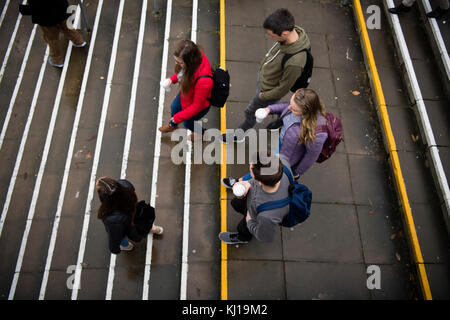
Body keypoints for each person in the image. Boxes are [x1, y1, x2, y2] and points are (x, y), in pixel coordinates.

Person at [221, 8, 312, 143]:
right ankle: (281, 120)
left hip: (267, 90)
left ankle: (239, 135)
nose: (270, 37)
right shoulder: (291, 36)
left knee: (251, 112)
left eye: (272, 35)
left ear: (284, 33)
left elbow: (283, 88)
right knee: (275, 106)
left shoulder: (295, 62)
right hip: (268, 82)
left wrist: (263, 95)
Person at [221, 88, 327, 188]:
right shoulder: (296, 106)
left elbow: (311, 156)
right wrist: (268, 110)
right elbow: (285, 106)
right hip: (283, 144)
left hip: (288, 158)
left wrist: (297, 171)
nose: (289, 108)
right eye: (291, 104)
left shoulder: (317, 134)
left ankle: (240, 182)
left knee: (263, 170)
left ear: (306, 111)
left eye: (294, 109)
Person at [219, 152, 293, 244]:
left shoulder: (267, 216)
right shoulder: (282, 161)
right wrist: (248, 183)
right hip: (252, 201)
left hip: (254, 216)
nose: (249, 167)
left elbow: (265, 237)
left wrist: (250, 222)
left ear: (259, 182)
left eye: (250, 170)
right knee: (236, 203)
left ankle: (243, 237)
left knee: (243, 227)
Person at [159, 39, 213, 141]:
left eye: (180, 62)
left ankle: (202, 133)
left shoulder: (204, 81)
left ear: (189, 62)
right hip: (188, 94)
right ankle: (173, 125)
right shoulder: (195, 56)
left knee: (188, 122)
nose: (177, 64)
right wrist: (172, 79)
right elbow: (183, 73)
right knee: (174, 107)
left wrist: (177, 118)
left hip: (199, 104)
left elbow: (197, 106)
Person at [96, 177, 163, 254]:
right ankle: (152, 229)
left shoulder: (111, 218)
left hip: (129, 226)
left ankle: (126, 246)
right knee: (144, 223)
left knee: (121, 237)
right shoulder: (125, 184)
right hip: (138, 215)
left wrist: (114, 249)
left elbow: (115, 236)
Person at [19, 0, 87, 68]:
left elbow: (36, 8)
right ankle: (79, 41)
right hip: (62, 10)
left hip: (47, 19)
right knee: (68, 28)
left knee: (52, 39)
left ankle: (57, 60)